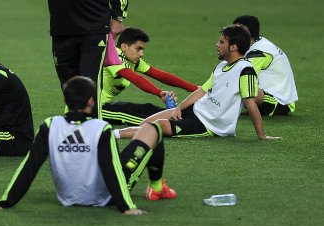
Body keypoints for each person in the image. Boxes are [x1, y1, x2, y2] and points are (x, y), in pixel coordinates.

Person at [0, 76, 176, 215]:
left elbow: (30, 166)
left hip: (67, 196)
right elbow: (111, 169)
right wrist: (126, 207)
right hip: (105, 198)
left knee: (145, 130)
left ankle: (154, 186)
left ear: (65, 100)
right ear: (91, 101)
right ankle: (157, 187)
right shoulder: (101, 128)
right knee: (154, 129)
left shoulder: (50, 125)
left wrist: (4, 203)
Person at [118, 25, 281, 140]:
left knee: (156, 126)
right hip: (196, 110)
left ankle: (110, 136)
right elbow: (202, 91)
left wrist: (262, 135)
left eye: (222, 42)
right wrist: (179, 109)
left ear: (233, 47)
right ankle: (112, 136)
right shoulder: (222, 65)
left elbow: (251, 104)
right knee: (146, 122)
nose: (217, 45)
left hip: (208, 125)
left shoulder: (246, 70)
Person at [100, 27, 198, 125]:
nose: (141, 54)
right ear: (124, 46)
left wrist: (195, 89)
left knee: (148, 108)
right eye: (138, 49)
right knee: (142, 119)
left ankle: (185, 117)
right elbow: (136, 79)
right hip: (96, 108)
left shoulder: (133, 61)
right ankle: (180, 125)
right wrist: (159, 93)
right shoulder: (113, 56)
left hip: (106, 104)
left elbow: (161, 76)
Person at [233, 15, 298, 115]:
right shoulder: (257, 43)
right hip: (270, 97)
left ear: (246, 33)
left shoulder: (258, 52)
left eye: (235, 31)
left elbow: (238, 78)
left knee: (245, 87)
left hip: (280, 103)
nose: (232, 35)